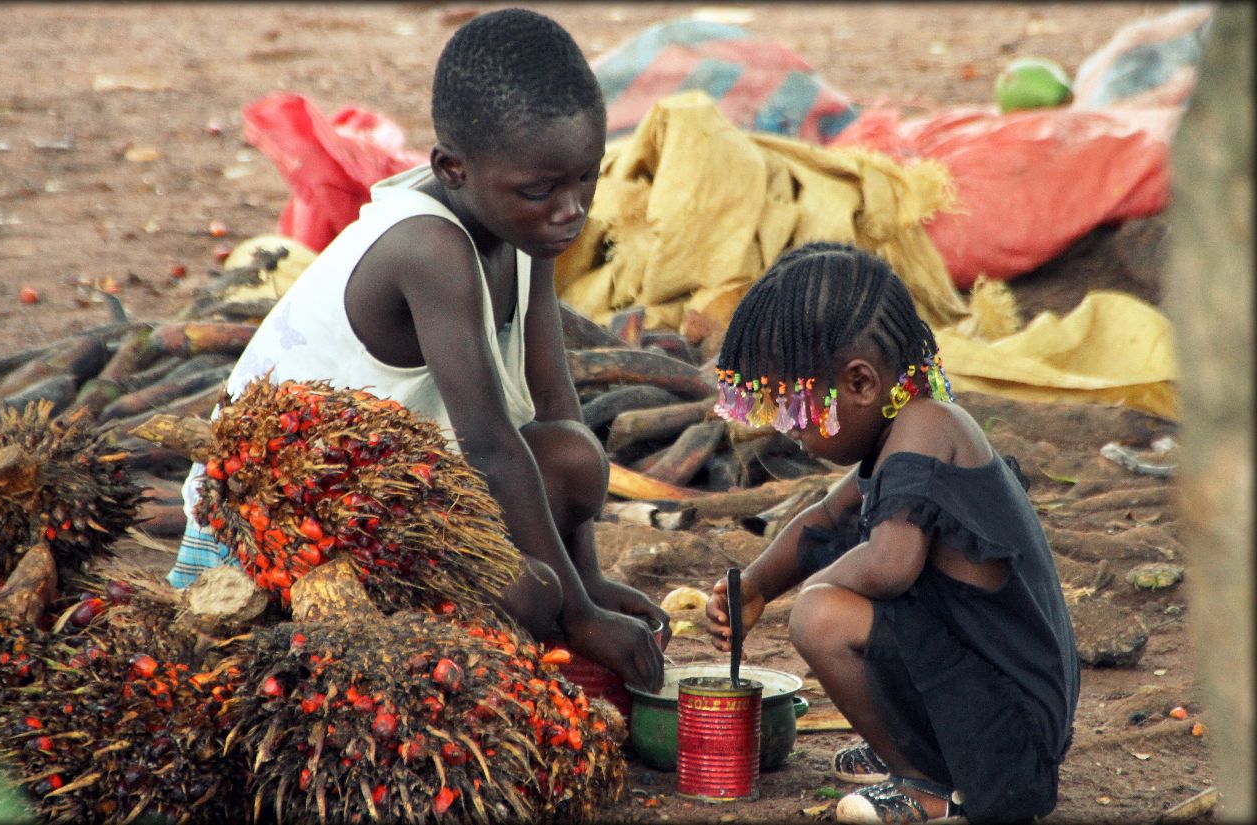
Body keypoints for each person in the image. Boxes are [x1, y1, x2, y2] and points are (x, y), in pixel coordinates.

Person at [168, 8, 667, 692]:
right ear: (451, 169)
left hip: (377, 496)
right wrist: (579, 616)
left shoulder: (526, 227)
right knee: (530, 595)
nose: (570, 209)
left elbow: (552, 405)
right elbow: (491, 446)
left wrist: (590, 584)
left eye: (587, 177)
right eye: (541, 189)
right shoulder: (428, 248)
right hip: (265, 534)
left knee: (573, 459)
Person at [703, 242, 1079, 824]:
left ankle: (932, 785)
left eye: (796, 406)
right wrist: (753, 588)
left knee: (821, 615)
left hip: (1011, 747)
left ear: (859, 384)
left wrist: (810, 593)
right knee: (831, 596)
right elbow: (826, 520)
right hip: (990, 716)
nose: (788, 428)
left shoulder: (929, 427)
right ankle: (919, 749)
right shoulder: (903, 431)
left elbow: (889, 566)